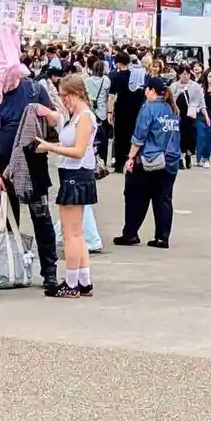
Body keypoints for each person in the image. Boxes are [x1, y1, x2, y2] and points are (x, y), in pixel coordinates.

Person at [0, 65, 62, 297]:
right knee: (9, 221)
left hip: (33, 166)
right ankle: (12, 266)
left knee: (42, 218)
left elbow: (56, 119)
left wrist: (45, 112)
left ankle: (49, 271)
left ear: (18, 72)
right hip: (5, 169)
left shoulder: (35, 90)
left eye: (7, 75)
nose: (4, 82)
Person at [39, 71, 98, 296]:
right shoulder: (77, 116)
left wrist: (50, 147)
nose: (63, 100)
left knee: (70, 233)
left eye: (64, 96)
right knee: (77, 232)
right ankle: (83, 280)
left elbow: (78, 151)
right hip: (74, 174)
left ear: (74, 94)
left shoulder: (84, 117)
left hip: (76, 174)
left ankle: (71, 283)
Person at [114, 72, 181, 248]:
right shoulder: (172, 109)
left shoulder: (148, 108)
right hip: (171, 159)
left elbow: (139, 135)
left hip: (149, 159)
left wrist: (130, 157)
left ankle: (130, 233)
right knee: (163, 199)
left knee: (135, 197)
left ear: (151, 90)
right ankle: (162, 237)